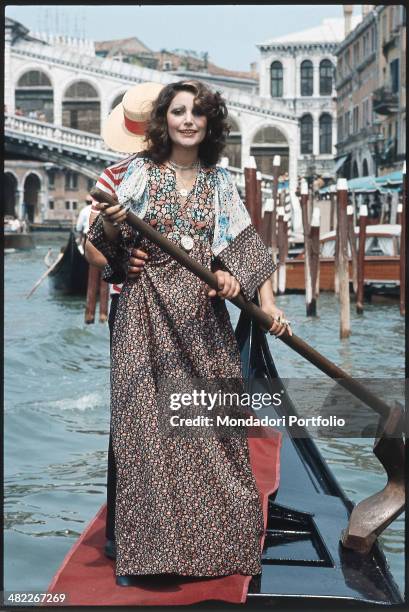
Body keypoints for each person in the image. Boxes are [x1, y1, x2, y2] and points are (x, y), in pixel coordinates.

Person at [87, 80, 292, 583]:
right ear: (164, 121)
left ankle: (216, 550)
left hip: (202, 321)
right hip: (144, 315)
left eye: (197, 113)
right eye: (178, 112)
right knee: (146, 435)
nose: (187, 120)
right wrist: (117, 240)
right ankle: (152, 558)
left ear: (209, 124)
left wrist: (250, 293)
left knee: (212, 432)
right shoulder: (133, 175)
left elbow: (245, 249)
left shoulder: (220, 183)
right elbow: (98, 240)